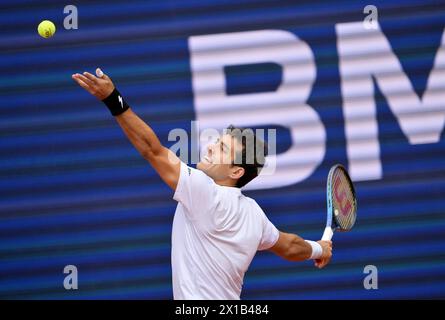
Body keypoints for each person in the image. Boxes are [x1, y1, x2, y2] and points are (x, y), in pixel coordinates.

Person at [72, 68, 333, 300]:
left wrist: (112, 99)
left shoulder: (205, 193)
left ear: (236, 170)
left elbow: (153, 150)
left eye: (220, 148)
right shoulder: (254, 214)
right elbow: (288, 246)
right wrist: (318, 248)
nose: (209, 147)